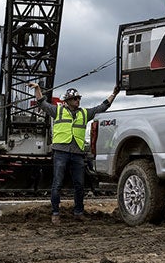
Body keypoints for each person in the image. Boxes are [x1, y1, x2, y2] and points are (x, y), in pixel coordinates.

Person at [29, 82, 119, 224]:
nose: (78, 101)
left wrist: (114, 94)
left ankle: (78, 212)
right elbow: (42, 103)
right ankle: (55, 213)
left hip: (77, 153)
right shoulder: (57, 111)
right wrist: (37, 89)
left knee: (79, 184)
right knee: (57, 183)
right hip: (61, 152)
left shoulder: (84, 113)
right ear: (68, 101)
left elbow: (102, 107)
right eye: (75, 99)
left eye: (78, 98)